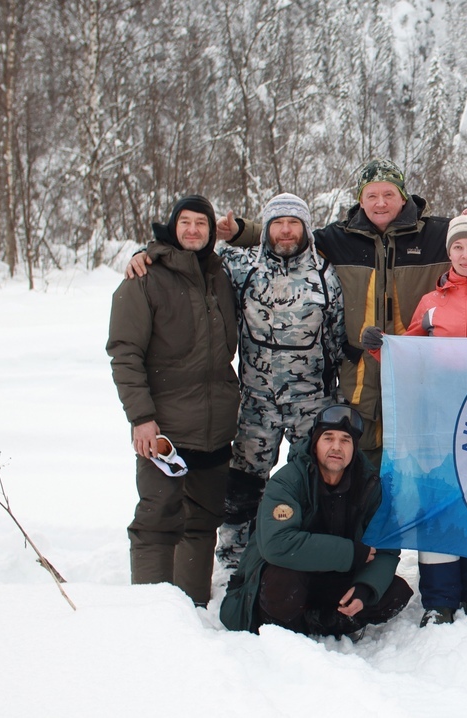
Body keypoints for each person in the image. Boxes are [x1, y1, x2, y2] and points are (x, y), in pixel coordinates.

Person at [219, 159, 467, 466]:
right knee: (357, 446)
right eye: (372, 195)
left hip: (416, 367)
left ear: (403, 197)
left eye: (389, 194)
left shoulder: (438, 235)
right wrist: (241, 231)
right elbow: (289, 238)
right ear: (360, 200)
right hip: (358, 369)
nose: (380, 203)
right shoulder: (338, 239)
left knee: (413, 446)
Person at [127, 194, 348, 570]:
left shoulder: (326, 275)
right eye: (277, 223)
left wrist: (336, 399)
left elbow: (337, 337)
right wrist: (146, 254)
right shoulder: (240, 266)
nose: (285, 231)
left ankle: (310, 557)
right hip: (256, 403)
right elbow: (188, 257)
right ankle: (234, 563)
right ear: (267, 229)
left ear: (305, 229)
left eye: (293, 223)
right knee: (242, 487)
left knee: (314, 482)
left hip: (311, 405)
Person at [364, 214, 467, 627]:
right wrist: (382, 348)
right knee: (438, 499)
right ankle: (439, 598)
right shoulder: (432, 303)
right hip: (439, 418)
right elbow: (410, 349)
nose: (466, 254)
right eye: (458, 247)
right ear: (448, 252)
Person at [106, 195, 239, 606]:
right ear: (172, 226)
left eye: (202, 223)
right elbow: (124, 353)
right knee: (157, 520)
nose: (194, 230)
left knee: (202, 521)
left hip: (216, 425)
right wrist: (142, 419)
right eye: (186, 222)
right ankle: (152, 619)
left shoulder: (219, 273)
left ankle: (192, 611)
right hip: (165, 428)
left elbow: (282, 240)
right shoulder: (144, 277)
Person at [220, 404, 413, 638]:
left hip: (334, 581)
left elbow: (386, 550)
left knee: (394, 592)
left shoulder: (369, 485)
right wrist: (350, 554)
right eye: (328, 438)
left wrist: (364, 589)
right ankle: (281, 629)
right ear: (315, 443)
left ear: (354, 448)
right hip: (290, 576)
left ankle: (321, 622)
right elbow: (278, 545)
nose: (336, 447)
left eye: (345, 440)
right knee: (284, 579)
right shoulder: (288, 481)